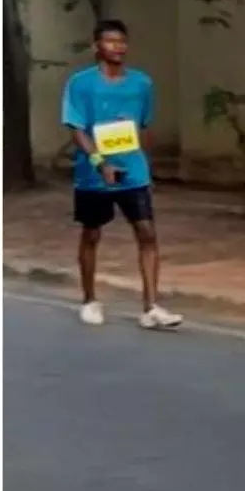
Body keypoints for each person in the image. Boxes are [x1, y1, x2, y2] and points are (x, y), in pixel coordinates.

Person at [62, 19, 182, 330]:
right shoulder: (81, 83)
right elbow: (76, 129)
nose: (118, 47)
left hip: (132, 171)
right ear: (97, 47)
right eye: (111, 41)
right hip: (94, 172)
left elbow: (143, 128)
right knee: (92, 233)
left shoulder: (142, 84)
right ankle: (90, 299)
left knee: (147, 232)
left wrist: (144, 167)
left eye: (122, 41)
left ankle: (151, 307)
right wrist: (100, 163)